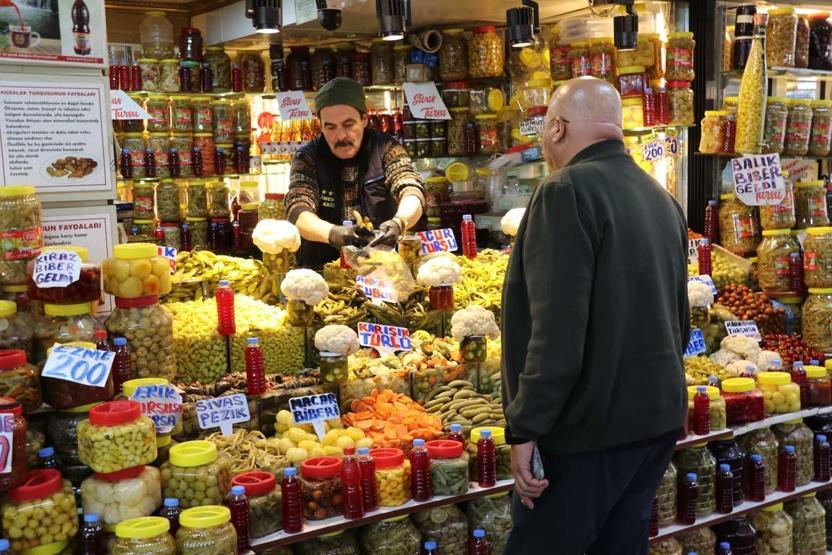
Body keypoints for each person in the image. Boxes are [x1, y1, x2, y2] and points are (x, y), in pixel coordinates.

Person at [501, 77, 690, 554]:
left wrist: (525, 426)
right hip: (655, 422)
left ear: (558, 128)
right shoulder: (661, 197)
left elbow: (556, 333)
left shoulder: (564, 190)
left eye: (545, 128)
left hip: (587, 431)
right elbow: (679, 322)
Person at [285, 76, 425, 268]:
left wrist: (399, 222)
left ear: (364, 119)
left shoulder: (385, 147)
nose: (341, 135)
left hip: (383, 269)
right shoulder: (307, 157)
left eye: (348, 124)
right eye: (330, 127)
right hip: (321, 271)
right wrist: (332, 233)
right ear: (321, 125)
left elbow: (411, 188)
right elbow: (298, 210)